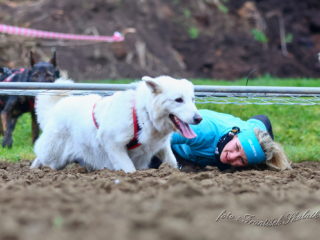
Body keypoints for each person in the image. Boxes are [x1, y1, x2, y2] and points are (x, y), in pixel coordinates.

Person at [151, 109, 291, 171]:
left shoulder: (252, 131)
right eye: (236, 148)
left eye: (241, 160)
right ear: (234, 135)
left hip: (246, 130)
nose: (232, 156)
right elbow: (156, 139)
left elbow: (262, 119)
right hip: (179, 151)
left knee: (263, 121)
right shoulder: (202, 130)